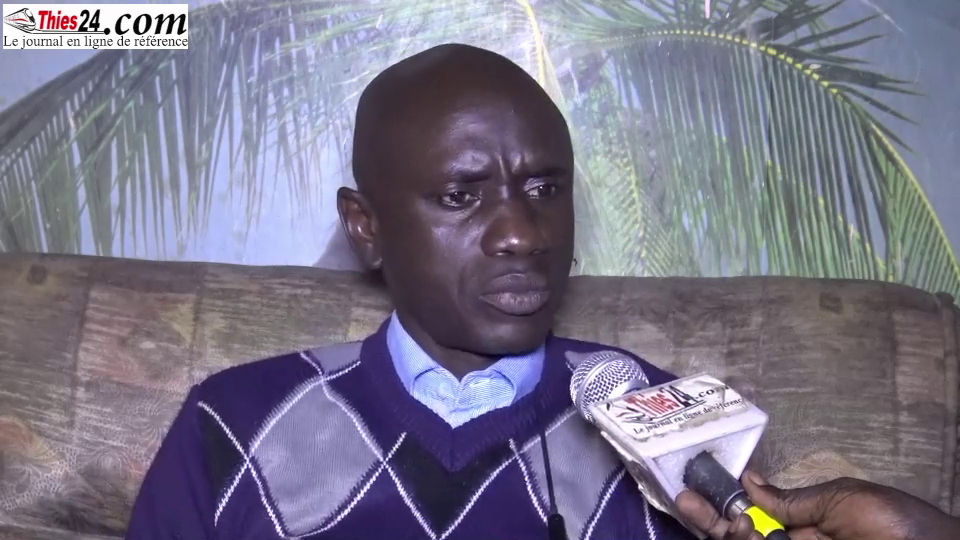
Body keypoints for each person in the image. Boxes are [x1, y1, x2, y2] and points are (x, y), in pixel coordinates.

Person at [125, 43, 959, 540]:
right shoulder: (232, 424)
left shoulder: (672, 431)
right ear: (366, 226)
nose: (523, 233)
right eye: (461, 196)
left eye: (545, 188)